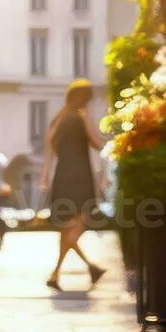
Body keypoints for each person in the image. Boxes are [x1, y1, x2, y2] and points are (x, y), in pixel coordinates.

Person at [41, 79, 107, 291]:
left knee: (67, 229)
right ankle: (88, 267)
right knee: (78, 225)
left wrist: (45, 177)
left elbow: (49, 150)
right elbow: (97, 144)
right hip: (79, 177)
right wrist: (87, 120)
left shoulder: (58, 119)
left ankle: (57, 274)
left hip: (62, 176)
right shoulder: (78, 117)